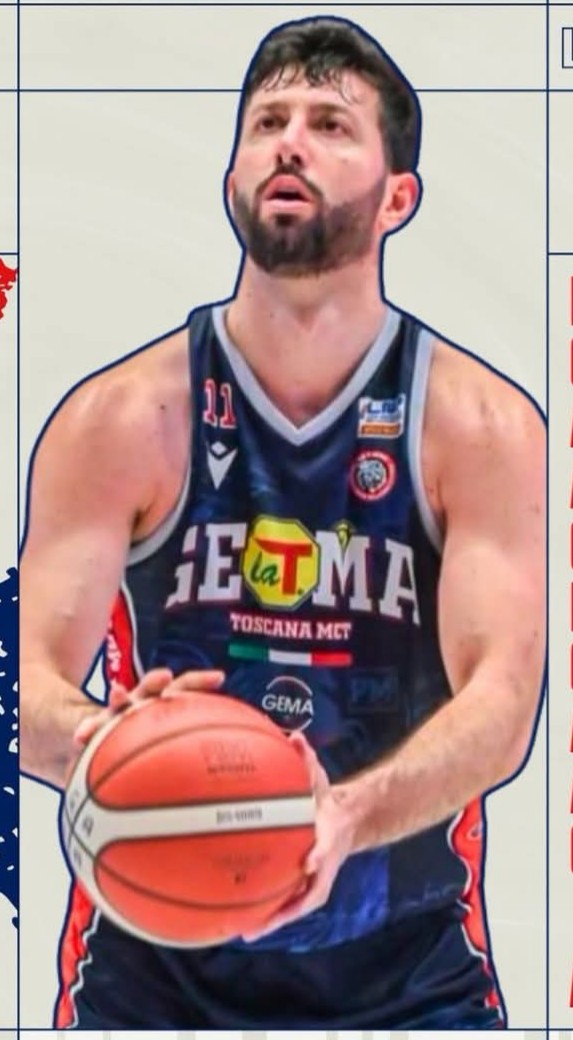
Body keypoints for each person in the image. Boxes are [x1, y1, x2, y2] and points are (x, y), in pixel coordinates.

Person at [20, 14, 546, 1030]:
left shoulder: (476, 425)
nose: (289, 143)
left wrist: (346, 813)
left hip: (410, 964)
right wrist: (100, 734)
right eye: (266, 123)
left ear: (398, 197)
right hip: (153, 967)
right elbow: (26, 683)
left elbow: (502, 705)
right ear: (232, 178)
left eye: (329, 125)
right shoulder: (121, 418)